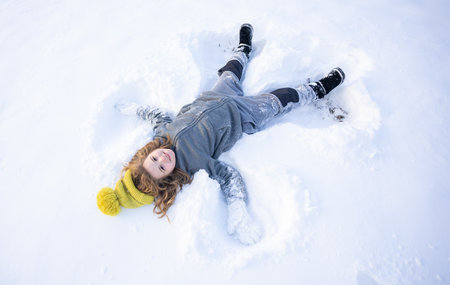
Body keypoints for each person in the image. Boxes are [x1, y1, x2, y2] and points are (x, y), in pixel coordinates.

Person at [96, 24, 345, 245]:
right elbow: (228, 176)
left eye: (154, 160)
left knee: (230, 72)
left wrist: (136, 109)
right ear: (169, 178)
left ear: (147, 154)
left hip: (215, 96)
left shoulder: (162, 136)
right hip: (242, 115)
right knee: (280, 98)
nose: (163, 159)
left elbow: (157, 116)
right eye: (162, 168)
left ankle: (243, 49)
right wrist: (238, 209)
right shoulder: (193, 164)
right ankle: (317, 89)